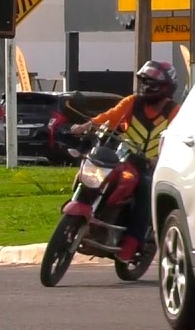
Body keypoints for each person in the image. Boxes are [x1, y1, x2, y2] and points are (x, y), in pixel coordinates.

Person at [70, 60, 180, 263]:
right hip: (124, 158)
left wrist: (158, 159)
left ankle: (133, 241)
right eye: (144, 82)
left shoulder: (174, 111)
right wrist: (86, 126)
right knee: (92, 168)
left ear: (166, 88)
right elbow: (110, 116)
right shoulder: (132, 102)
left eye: (152, 84)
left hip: (151, 166)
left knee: (146, 187)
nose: (146, 87)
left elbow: (177, 137)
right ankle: (83, 208)